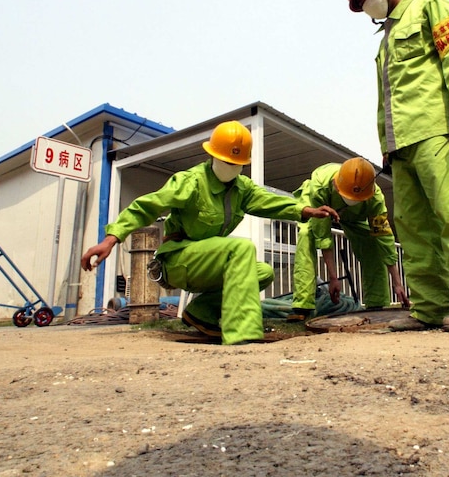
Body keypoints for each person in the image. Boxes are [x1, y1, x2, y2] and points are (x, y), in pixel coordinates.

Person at [340, 0, 449, 331]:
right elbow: (386, 99)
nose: (366, 2)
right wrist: (386, 146)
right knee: (412, 228)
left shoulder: (429, 5)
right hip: (401, 146)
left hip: (438, 131)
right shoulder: (384, 44)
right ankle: (429, 306)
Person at [81, 120, 339, 345]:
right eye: (226, 160)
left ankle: (201, 312)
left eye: (236, 163)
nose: (230, 166)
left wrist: (307, 210)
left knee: (262, 273)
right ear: (212, 155)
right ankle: (243, 333)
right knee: (241, 248)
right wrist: (111, 239)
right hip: (178, 259)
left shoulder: (242, 188)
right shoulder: (191, 182)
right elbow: (146, 206)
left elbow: (272, 202)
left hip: (208, 259)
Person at [287, 158, 410, 322]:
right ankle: (302, 306)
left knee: (372, 244)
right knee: (306, 235)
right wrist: (333, 277)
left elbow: (384, 238)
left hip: (355, 217)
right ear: (336, 185)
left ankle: (377, 304)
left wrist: (397, 282)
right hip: (317, 207)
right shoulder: (320, 186)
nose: (352, 200)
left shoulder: (375, 198)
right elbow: (323, 235)